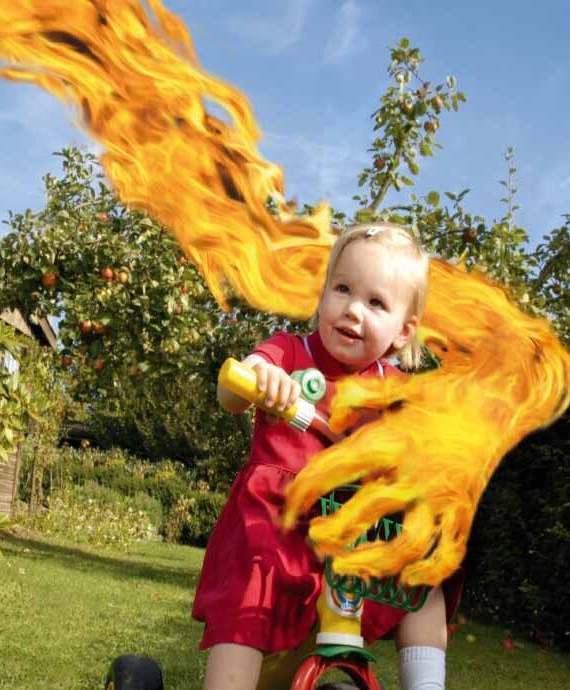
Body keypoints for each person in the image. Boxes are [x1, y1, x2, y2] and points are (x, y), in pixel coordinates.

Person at [194, 222, 461, 690]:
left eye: (376, 303)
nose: (353, 310)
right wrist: (261, 379)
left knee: (424, 575)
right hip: (276, 527)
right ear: (322, 296)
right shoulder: (290, 353)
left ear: (403, 332)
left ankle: (427, 685)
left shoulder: (396, 393)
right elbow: (232, 389)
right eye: (342, 289)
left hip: (352, 533)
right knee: (247, 603)